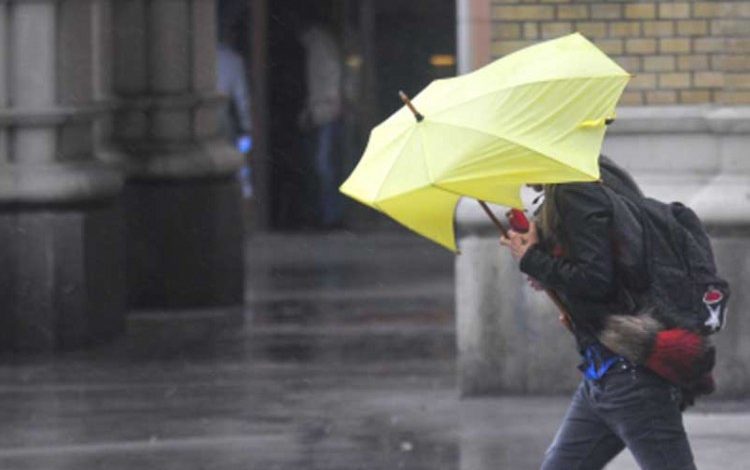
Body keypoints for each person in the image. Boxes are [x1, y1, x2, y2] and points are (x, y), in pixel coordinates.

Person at [500, 157, 697, 470]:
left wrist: (532, 260)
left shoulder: (573, 190)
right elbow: (613, 266)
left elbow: (595, 279)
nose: (520, 177)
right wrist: (544, 261)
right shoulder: (597, 174)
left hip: (629, 375)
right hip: (604, 373)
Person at [298, 20, 344, 228]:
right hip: (322, 110)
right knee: (323, 165)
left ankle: (330, 215)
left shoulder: (318, 45)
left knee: (323, 165)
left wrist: (324, 104)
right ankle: (328, 214)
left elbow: (328, 77)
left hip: (325, 110)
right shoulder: (317, 44)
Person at [217, 25, 253, 198]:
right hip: (222, 118)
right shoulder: (233, 60)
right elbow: (241, 98)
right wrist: (247, 127)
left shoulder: (203, 57)